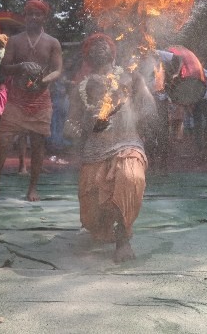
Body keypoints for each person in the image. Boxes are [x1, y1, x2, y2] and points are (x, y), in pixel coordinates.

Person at [65, 33, 154, 263]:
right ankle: (106, 226)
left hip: (128, 143)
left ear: (113, 51)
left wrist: (131, 116)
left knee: (129, 178)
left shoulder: (130, 77)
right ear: (87, 56)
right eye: (93, 44)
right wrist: (87, 124)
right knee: (94, 215)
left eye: (104, 42)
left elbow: (148, 109)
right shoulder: (80, 88)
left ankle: (123, 239)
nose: (99, 45)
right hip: (95, 150)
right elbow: (70, 126)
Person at [0, 0, 62, 202]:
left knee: (38, 145)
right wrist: (22, 66)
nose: (33, 17)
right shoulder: (15, 41)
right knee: (2, 142)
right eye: (30, 13)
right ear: (25, 16)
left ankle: (33, 188)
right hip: (16, 100)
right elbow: (5, 68)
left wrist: (45, 80)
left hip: (41, 100)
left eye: (38, 14)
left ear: (44, 17)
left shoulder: (52, 42)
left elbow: (58, 69)